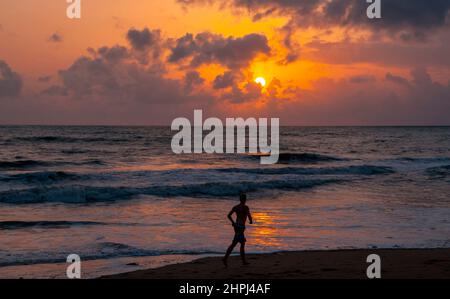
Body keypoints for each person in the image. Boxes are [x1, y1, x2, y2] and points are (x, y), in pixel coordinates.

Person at [223, 193, 253, 267]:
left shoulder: (236, 207)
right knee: (235, 243)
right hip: (241, 227)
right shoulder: (246, 207)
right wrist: (251, 221)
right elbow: (249, 216)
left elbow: (229, 215)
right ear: (245, 199)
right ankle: (225, 258)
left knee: (241, 243)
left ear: (240, 199)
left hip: (237, 226)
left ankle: (243, 261)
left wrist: (233, 223)